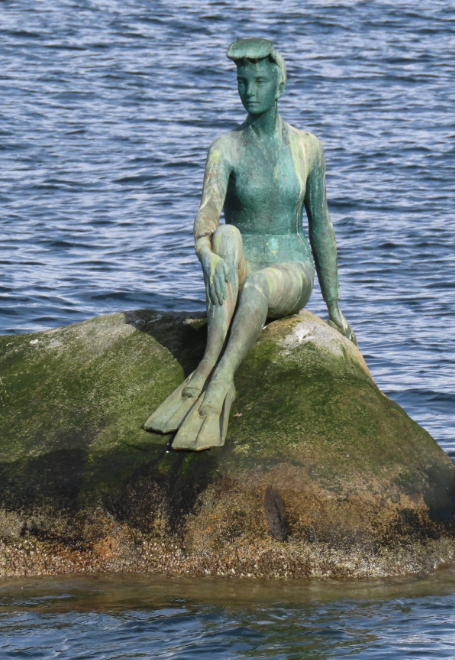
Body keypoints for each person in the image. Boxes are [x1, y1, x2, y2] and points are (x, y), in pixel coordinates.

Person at [145, 38, 356, 451]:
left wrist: (334, 307)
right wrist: (207, 256)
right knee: (226, 234)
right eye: (243, 82)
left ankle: (223, 378)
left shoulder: (307, 147)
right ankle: (206, 364)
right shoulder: (225, 148)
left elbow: (321, 226)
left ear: (279, 86)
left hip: (289, 268)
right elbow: (207, 219)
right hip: (242, 261)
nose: (250, 91)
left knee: (258, 286)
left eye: (260, 81)